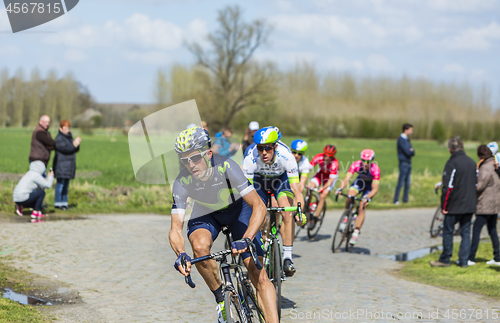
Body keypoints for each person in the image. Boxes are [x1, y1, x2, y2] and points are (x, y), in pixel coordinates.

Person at [169, 127, 278, 323]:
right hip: (207, 212)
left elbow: (259, 207)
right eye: (184, 160)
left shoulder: (226, 167)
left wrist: (247, 238)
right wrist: (180, 254)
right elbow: (176, 228)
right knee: (199, 247)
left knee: (257, 272)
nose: (190, 165)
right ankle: (221, 298)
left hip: (239, 210)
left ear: (209, 153)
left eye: (194, 158)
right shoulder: (181, 181)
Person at [243, 126, 306, 277]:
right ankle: (259, 248)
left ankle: (287, 258)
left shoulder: (287, 156)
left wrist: (299, 211)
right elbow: (246, 191)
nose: (264, 153)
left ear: (275, 147)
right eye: (260, 148)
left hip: (280, 181)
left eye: (268, 149)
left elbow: (296, 190)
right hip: (259, 182)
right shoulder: (250, 157)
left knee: (287, 212)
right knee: (257, 213)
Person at [430, 137, 477, 268]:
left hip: (455, 205)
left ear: (450, 150)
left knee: (448, 231)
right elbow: (476, 184)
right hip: (470, 204)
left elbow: (448, 187)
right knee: (466, 233)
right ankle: (463, 261)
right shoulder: (472, 162)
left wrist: (444, 206)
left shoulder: (452, 163)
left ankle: (445, 259)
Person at [335, 149, 380, 246]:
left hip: (369, 187)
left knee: (362, 207)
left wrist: (368, 197)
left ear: (372, 161)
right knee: (350, 196)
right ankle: (347, 216)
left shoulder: (375, 170)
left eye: (368, 161)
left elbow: (375, 189)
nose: (365, 163)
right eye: (363, 160)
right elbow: (347, 178)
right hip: (359, 182)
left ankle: (356, 232)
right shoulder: (356, 165)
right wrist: (340, 188)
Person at [469, 145, 500, 266]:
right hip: (495, 204)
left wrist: (472, 184)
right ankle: (497, 257)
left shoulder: (486, 168)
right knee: (492, 230)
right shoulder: (495, 165)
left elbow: (480, 186)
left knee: (476, 230)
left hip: (485, 205)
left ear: (480, 156)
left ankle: (471, 258)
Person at [307, 145, 339, 228]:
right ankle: (307, 206)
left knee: (322, 195)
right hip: (321, 174)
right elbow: (308, 168)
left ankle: (315, 218)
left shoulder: (335, 164)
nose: (327, 158)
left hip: (329, 178)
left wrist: (323, 188)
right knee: (309, 186)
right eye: (325, 155)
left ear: (333, 157)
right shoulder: (318, 157)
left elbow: (331, 180)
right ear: (323, 154)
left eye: (330, 157)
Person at [53, 120, 81, 210]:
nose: (67, 130)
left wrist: (76, 145)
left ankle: (64, 202)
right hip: (61, 165)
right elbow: (66, 149)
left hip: (69, 165)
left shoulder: (69, 137)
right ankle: (58, 203)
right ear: (60, 128)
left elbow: (73, 149)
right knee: (60, 184)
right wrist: (74, 144)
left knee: (66, 185)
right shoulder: (59, 139)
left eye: (68, 128)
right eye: (65, 128)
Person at [393, 123, 415, 205]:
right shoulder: (401, 140)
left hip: (408, 163)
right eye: (411, 130)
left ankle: (405, 200)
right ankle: (396, 199)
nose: (412, 132)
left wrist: (411, 151)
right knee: (401, 182)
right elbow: (408, 151)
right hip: (403, 163)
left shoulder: (407, 140)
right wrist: (410, 151)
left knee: (408, 183)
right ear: (406, 130)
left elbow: (412, 152)